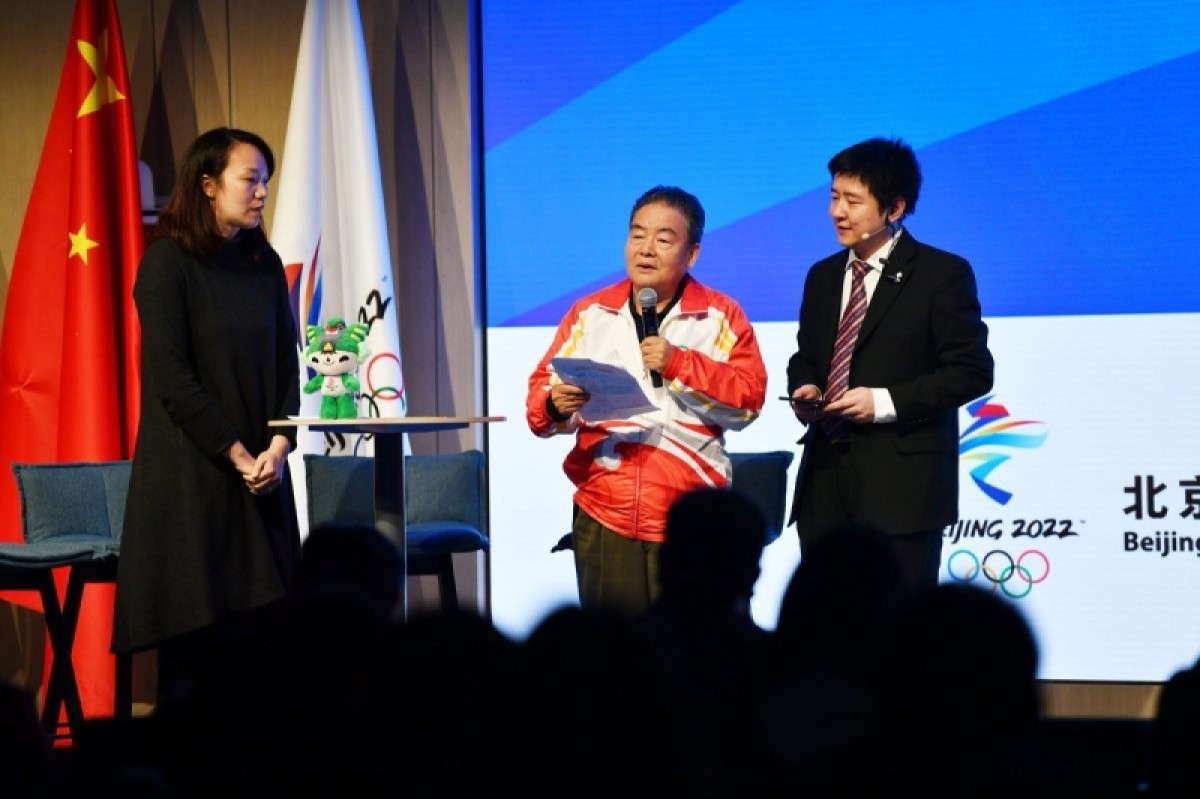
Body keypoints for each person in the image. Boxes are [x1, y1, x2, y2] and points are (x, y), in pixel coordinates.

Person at [111, 127, 302, 712]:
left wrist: (277, 448)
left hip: (262, 480)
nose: (262, 192)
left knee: (266, 659)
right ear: (208, 185)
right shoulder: (167, 263)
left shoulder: (263, 263)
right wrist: (238, 455)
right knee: (197, 665)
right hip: (193, 482)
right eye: (250, 179)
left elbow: (286, 365)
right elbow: (172, 378)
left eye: (266, 181)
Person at [526, 185, 768, 616]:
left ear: (692, 254)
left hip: (690, 517)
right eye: (637, 235)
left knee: (692, 646)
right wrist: (555, 406)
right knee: (614, 649)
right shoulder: (590, 313)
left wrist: (679, 363)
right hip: (605, 507)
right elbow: (539, 403)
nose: (646, 249)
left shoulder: (720, 317)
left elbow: (748, 401)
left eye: (663, 239)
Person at [785, 137, 994, 588]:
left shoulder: (942, 274)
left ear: (894, 208)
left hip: (903, 491)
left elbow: (971, 372)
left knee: (900, 623)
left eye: (853, 201)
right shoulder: (822, 275)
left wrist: (883, 403)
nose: (837, 212)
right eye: (834, 197)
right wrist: (805, 388)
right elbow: (806, 356)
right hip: (824, 484)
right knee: (823, 619)